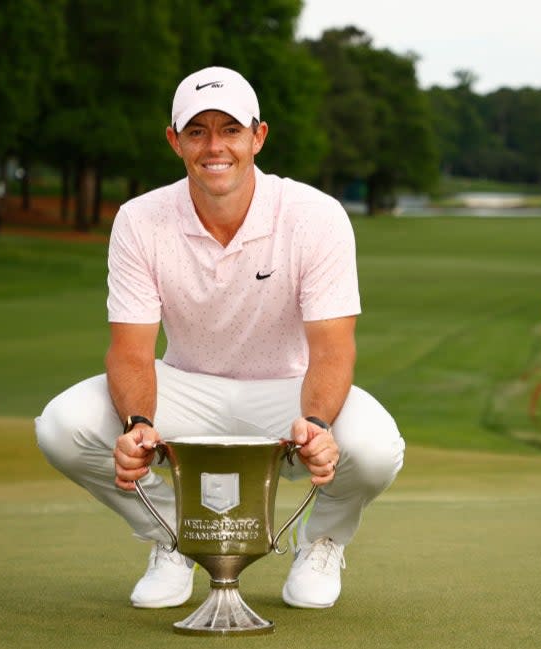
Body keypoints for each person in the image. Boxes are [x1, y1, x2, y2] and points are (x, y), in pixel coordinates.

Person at [35, 66, 405, 610]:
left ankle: (322, 541)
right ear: (174, 141)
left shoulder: (316, 216)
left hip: (290, 394)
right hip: (184, 386)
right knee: (62, 427)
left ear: (258, 136)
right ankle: (174, 537)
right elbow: (131, 349)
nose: (215, 147)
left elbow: (332, 348)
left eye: (230, 130)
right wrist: (139, 425)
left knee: (373, 450)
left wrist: (320, 424)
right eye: (197, 131)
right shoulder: (140, 219)